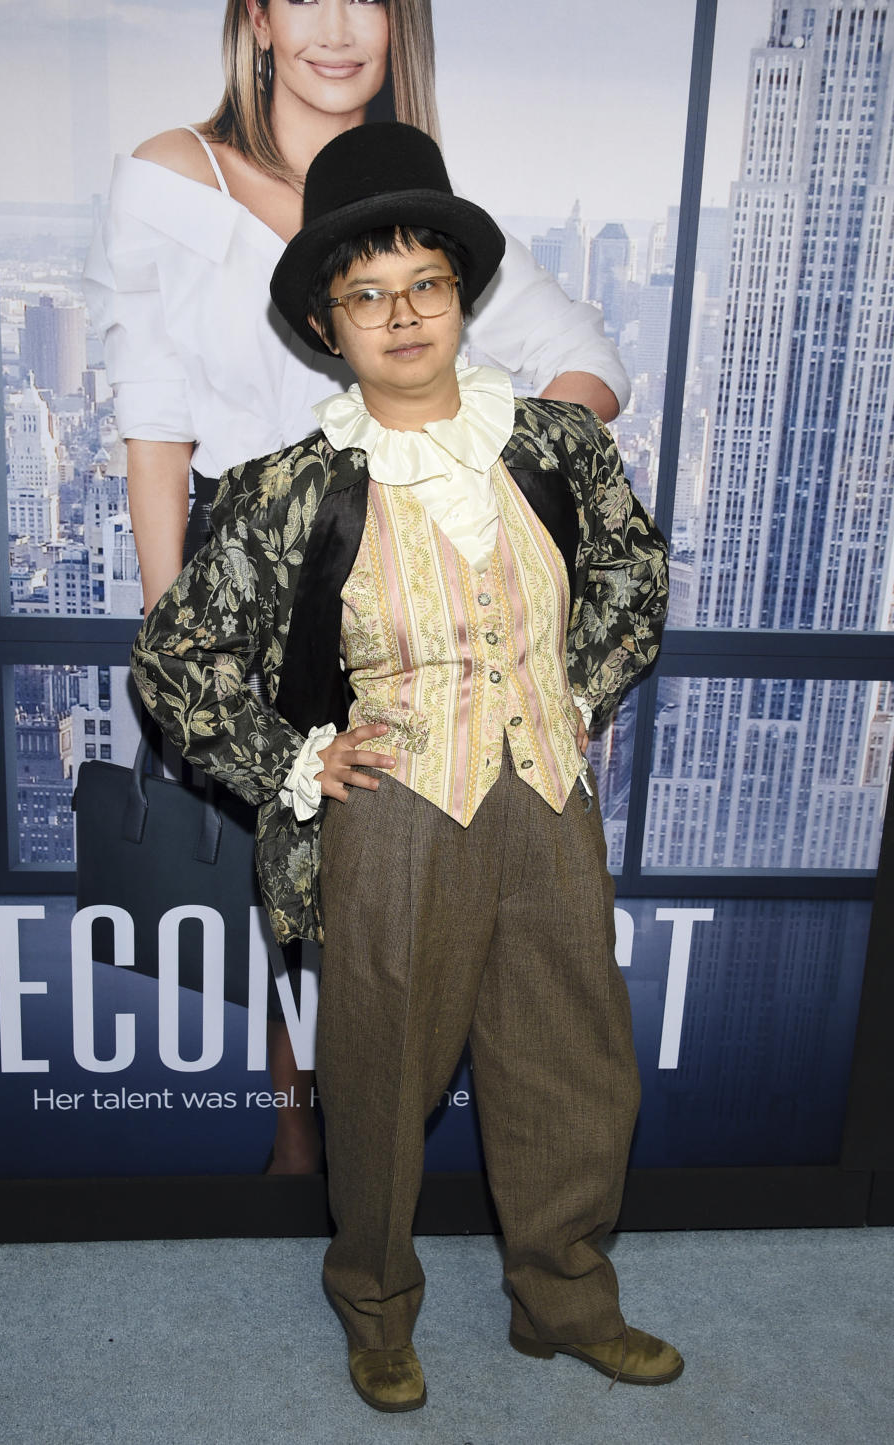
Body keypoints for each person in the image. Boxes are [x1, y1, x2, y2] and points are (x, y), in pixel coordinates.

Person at [131, 121, 680, 1412]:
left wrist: (581, 690)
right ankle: (377, 1308)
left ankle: (565, 1301)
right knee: (377, 1086)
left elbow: (634, 575)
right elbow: (173, 655)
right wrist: (294, 758)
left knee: (574, 1062)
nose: (401, 314)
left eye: (423, 284)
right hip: (393, 819)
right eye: (365, 295)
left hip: (548, 802)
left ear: (460, 293)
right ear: (330, 325)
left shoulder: (558, 447)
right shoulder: (293, 487)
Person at [84, 0, 630, 1175]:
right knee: (292, 872)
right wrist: (189, 653)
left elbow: (594, 357)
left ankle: (364, 1149)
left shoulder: (408, 201)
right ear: (257, 20)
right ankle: (304, 1139)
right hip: (265, 572)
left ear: (400, 25)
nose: (337, 26)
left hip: (409, 582)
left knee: (396, 879)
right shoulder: (174, 176)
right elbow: (154, 432)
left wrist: (492, 472)